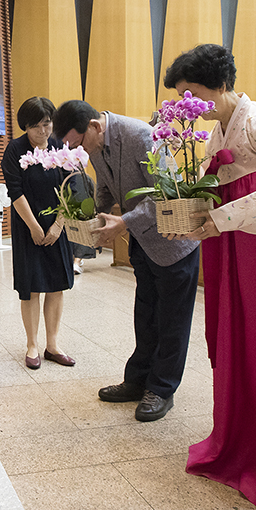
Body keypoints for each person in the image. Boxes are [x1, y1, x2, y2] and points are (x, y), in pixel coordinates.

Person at [161, 44, 256, 510]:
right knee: (235, 338)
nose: (188, 104)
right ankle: (242, 437)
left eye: (192, 93)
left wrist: (222, 217)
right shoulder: (215, 133)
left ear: (218, 85)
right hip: (231, 247)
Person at [53, 100, 199, 421]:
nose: (79, 150)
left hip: (173, 243)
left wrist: (124, 222)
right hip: (143, 243)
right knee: (145, 315)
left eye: (78, 143)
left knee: (171, 320)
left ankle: (162, 389)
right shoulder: (95, 144)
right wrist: (95, 216)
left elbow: (166, 193)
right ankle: (137, 380)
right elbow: (106, 187)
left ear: (94, 126)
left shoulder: (141, 136)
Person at [1, 97, 75, 370]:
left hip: (57, 226)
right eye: (35, 126)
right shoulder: (15, 149)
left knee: (56, 286)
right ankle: (32, 345)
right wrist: (34, 226)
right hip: (27, 226)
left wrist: (58, 225)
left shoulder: (59, 147)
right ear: (25, 126)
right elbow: (15, 191)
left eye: (47, 124)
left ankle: (52, 345)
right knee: (31, 287)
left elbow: (69, 188)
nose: (43, 131)